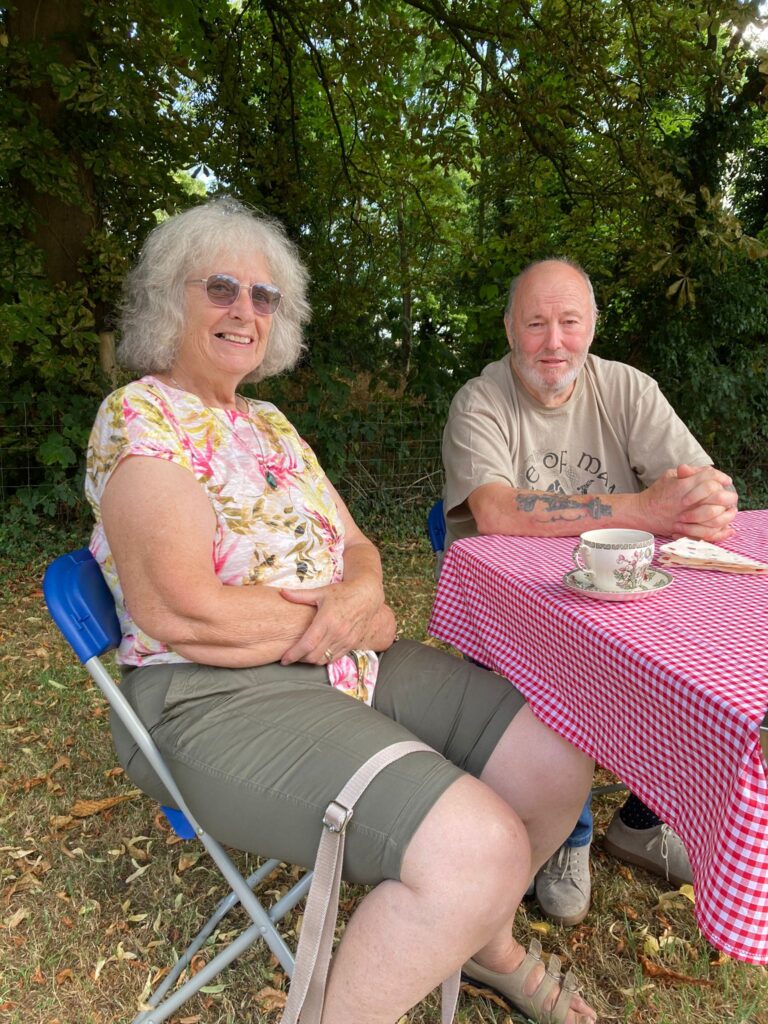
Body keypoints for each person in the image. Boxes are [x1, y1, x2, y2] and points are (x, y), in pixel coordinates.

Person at [83, 201, 598, 1024]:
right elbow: (180, 611)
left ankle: (483, 942)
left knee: (558, 753)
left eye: (264, 297)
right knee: (481, 848)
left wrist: (363, 596)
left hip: (341, 662)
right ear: (166, 300)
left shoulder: (270, 423)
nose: (244, 311)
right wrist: (347, 623)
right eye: (220, 288)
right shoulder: (140, 418)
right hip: (213, 696)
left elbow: (359, 549)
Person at [441, 258, 738, 928]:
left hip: (619, 591)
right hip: (517, 608)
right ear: (509, 327)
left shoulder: (628, 388)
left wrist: (704, 498)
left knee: (700, 659)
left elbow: (700, 481)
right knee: (552, 671)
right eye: (536, 322)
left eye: (569, 322)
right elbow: (495, 512)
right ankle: (565, 838)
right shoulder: (479, 400)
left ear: (593, 325)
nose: (554, 342)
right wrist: (649, 510)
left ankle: (642, 820)